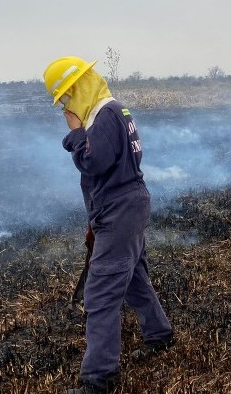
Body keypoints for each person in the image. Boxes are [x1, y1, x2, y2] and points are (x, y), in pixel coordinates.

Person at [43, 56, 173, 394]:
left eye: (66, 100)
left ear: (77, 88)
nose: (66, 109)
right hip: (126, 206)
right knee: (133, 278)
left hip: (119, 211)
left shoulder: (103, 117)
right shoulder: (117, 111)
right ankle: (160, 335)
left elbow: (93, 162)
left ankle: (98, 379)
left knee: (100, 293)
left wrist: (74, 135)